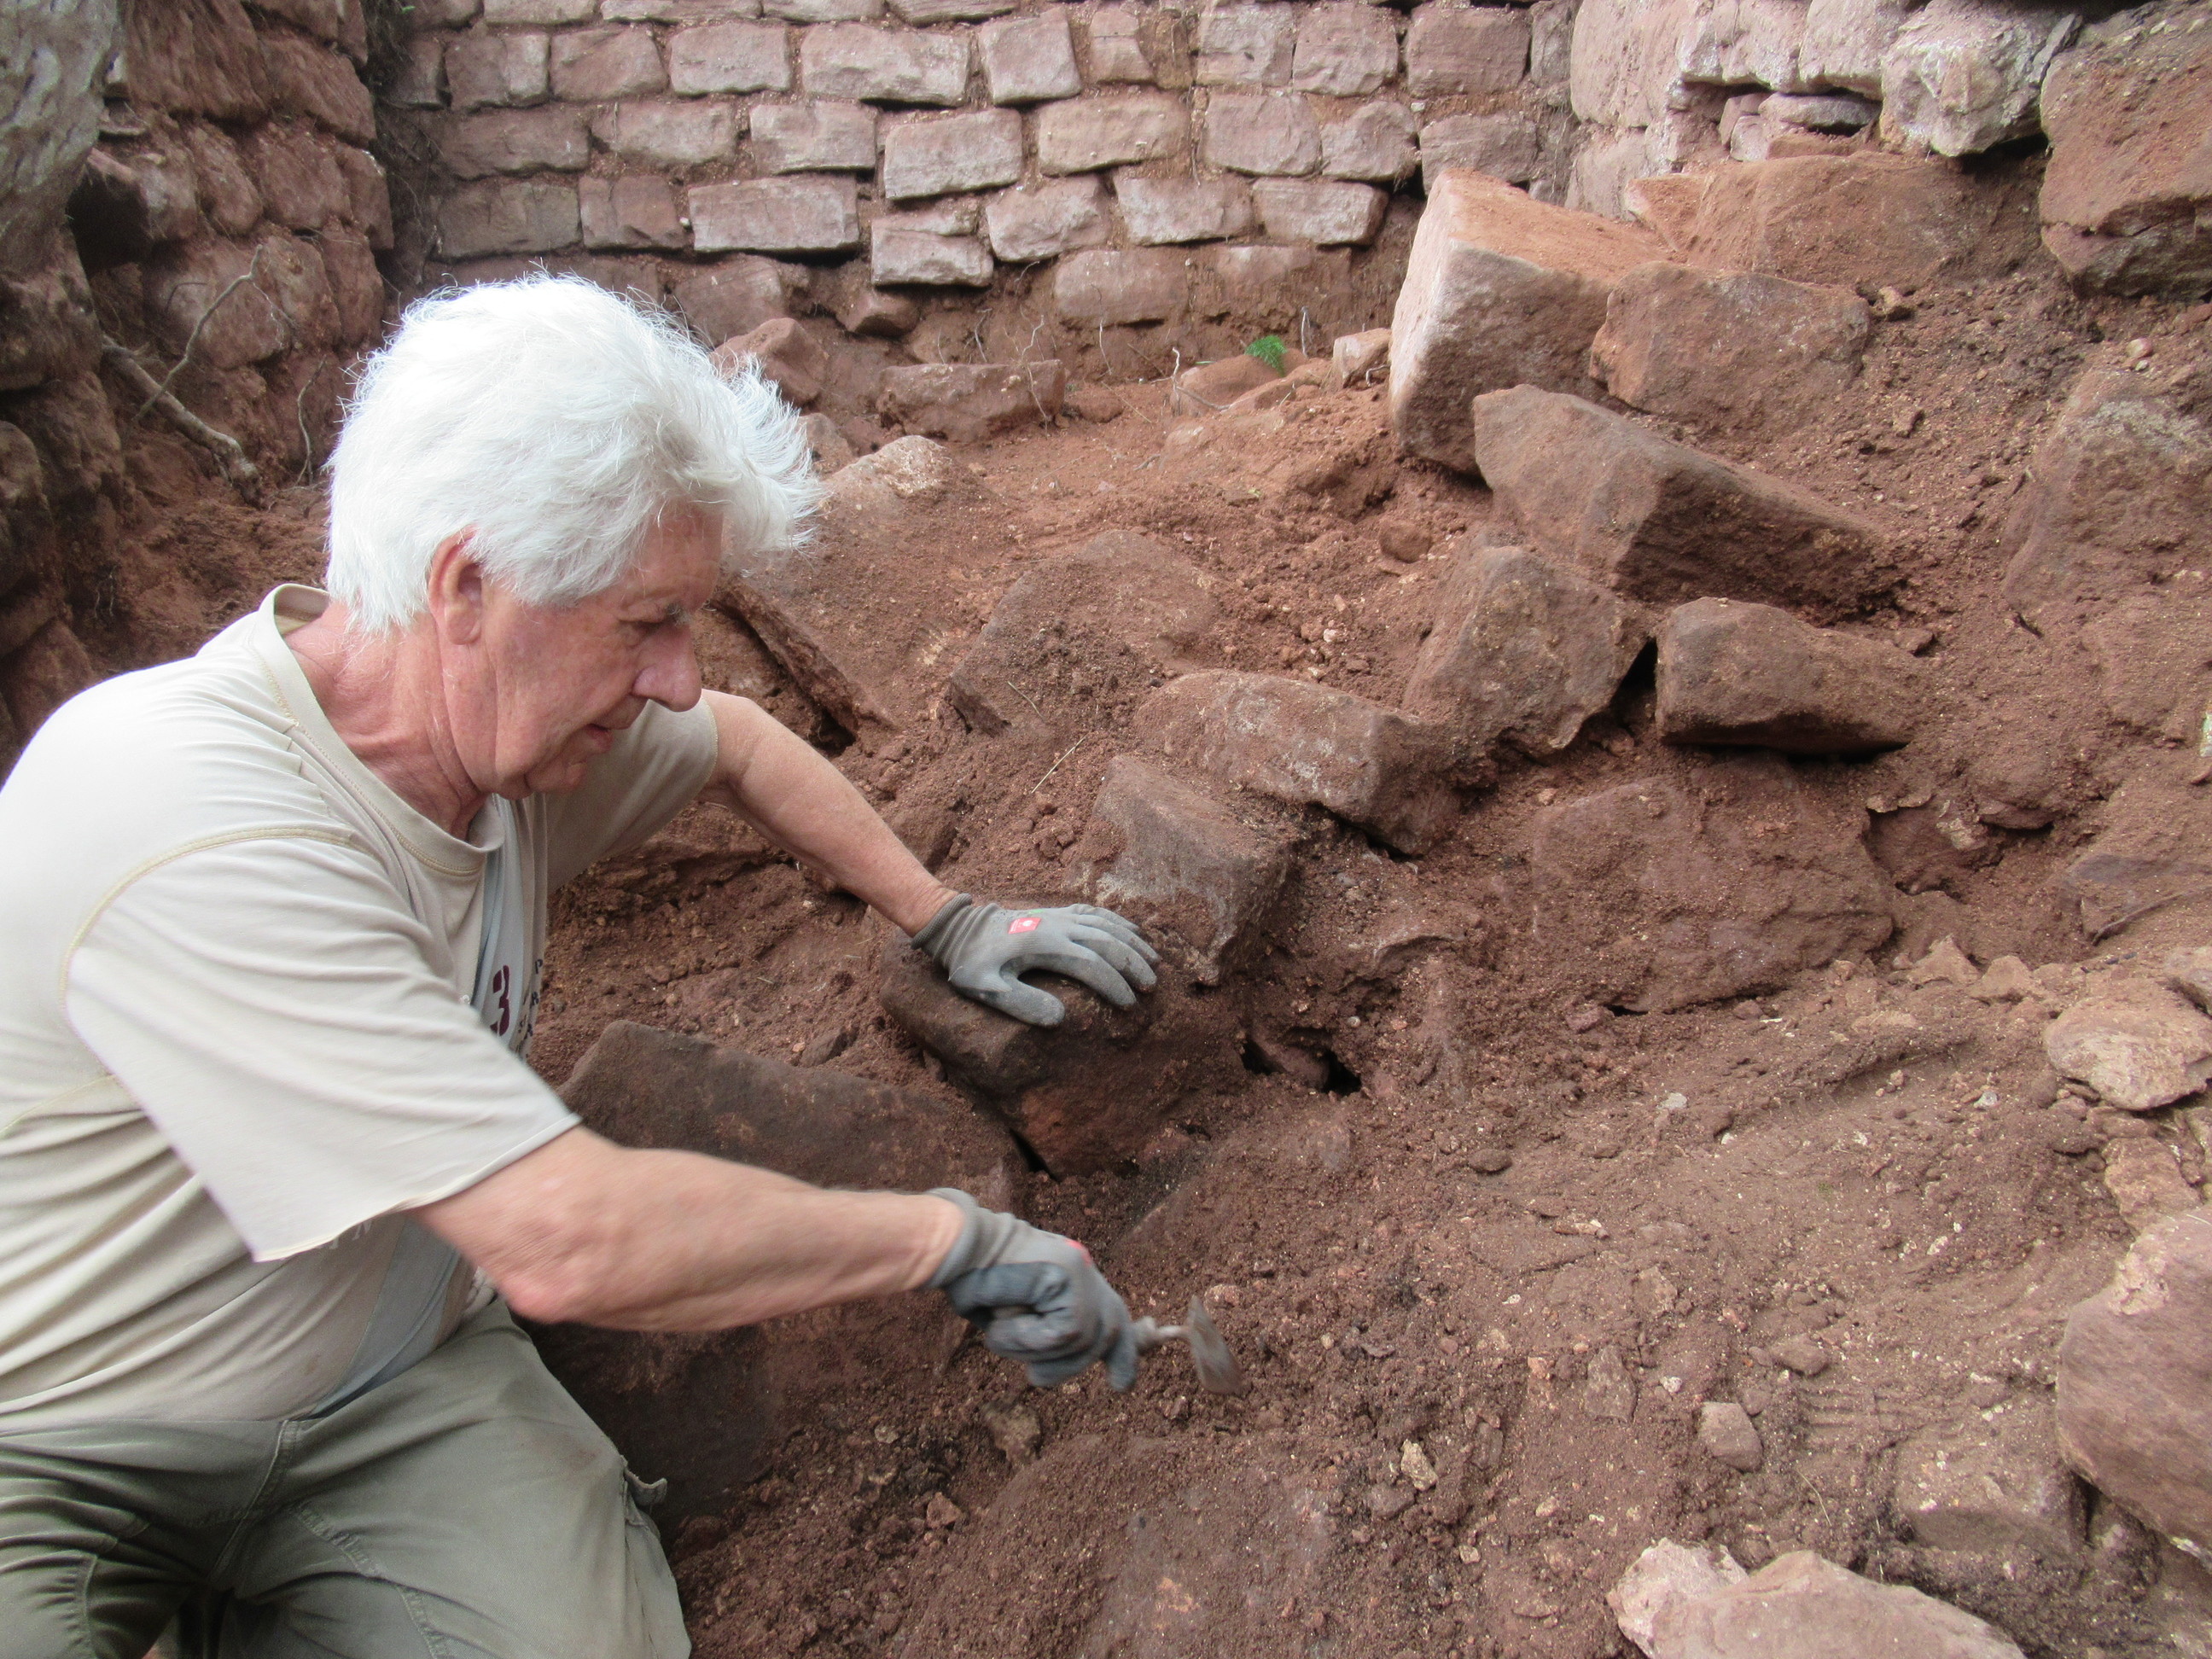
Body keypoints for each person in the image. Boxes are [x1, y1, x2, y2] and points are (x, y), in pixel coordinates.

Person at [0, 276, 1160, 1657]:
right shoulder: (190, 816)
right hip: (62, 1444)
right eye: (644, 621)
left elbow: (735, 743)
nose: (676, 675)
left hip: (392, 1395)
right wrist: (948, 1240)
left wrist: (947, 917)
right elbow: (565, 1238)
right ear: (468, 585)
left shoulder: (508, 743)